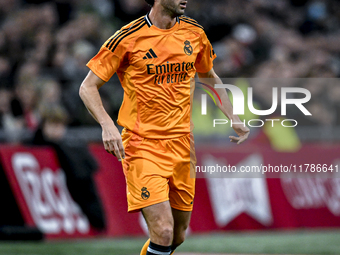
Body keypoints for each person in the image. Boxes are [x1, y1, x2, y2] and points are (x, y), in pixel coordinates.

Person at [79, 0, 250, 254]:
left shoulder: (194, 32)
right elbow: (87, 86)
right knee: (163, 230)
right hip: (142, 145)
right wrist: (107, 124)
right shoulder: (127, 37)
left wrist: (232, 116)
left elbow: (209, 76)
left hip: (183, 145)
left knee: (178, 235)